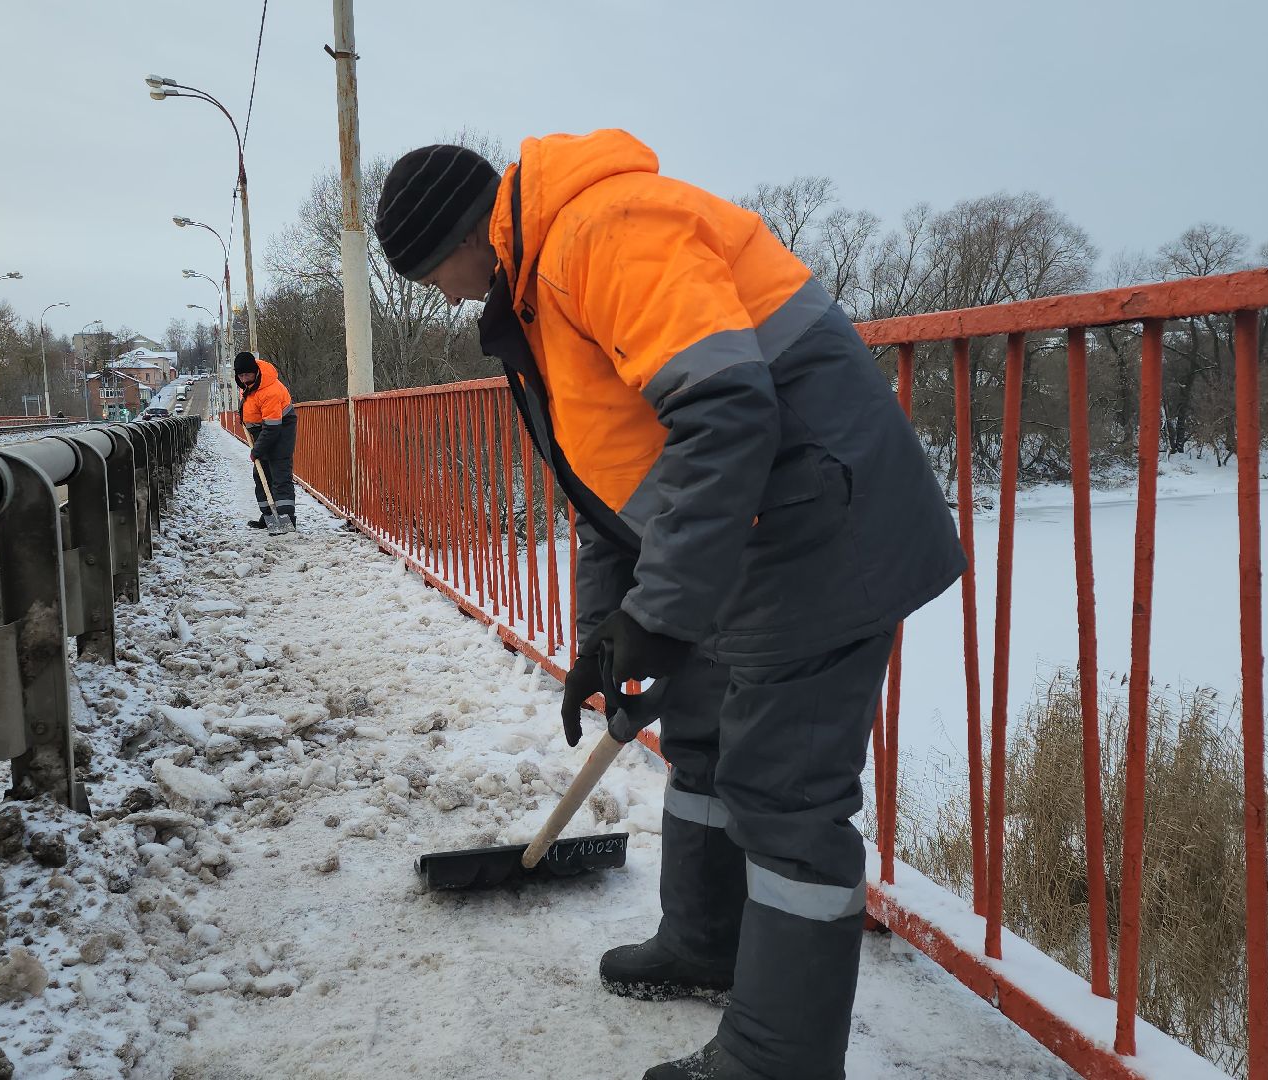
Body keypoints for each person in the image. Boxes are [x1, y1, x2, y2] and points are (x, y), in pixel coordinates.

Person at [374, 132, 965, 1080]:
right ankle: (705, 943)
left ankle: (778, 1061)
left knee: (787, 798)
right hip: (748, 533)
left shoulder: (602, 234)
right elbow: (607, 481)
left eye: (431, 272)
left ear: (463, 235)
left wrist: (665, 605)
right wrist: (611, 633)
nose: (442, 296)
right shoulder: (537, 289)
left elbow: (729, 410)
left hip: (820, 530)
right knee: (702, 734)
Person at [234, 351, 296, 533]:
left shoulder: (270, 391)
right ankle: (269, 518)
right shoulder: (248, 385)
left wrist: (257, 450)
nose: (244, 379)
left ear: (255, 372)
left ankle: (286, 523)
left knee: (279, 476)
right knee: (261, 475)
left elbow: (273, 428)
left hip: (280, 431)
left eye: (247, 374)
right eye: (241, 375)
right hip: (263, 432)